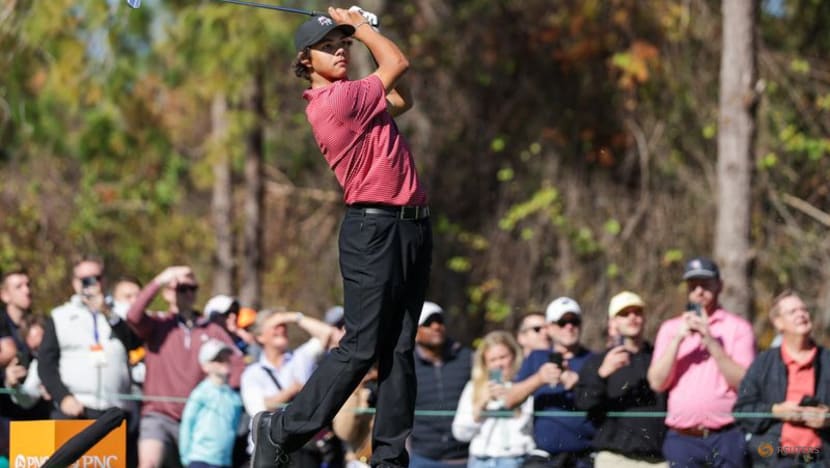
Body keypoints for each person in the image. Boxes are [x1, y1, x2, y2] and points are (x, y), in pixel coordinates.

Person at [249, 6, 432, 468]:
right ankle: (281, 429)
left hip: (410, 225)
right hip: (373, 228)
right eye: (328, 47)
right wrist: (366, 29)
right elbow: (397, 64)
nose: (340, 52)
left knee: (399, 348)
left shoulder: (359, 99)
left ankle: (389, 458)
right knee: (361, 345)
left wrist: (368, 33)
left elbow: (403, 97)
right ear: (305, 60)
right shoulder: (336, 102)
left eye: (343, 44)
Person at [127, 265, 246, 468]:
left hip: (200, 418)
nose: (189, 294)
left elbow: (237, 365)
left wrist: (224, 399)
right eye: (182, 289)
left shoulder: (211, 329)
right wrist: (160, 279)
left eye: (193, 288)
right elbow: (133, 316)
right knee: (148, 464)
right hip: (159, 415)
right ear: (168, 293)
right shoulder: (158, 324)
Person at [647, 256, 755, 467]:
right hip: (682, 439)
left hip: (726, 438)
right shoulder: (670, 329)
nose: (699, 291)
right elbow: (657, 382)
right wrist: (678, 340)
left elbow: (745, 384)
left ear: (719, 286)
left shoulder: (738, 328)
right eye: (693, 285)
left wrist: (711, 342)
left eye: (705, 284)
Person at [38, 256, 141, 465]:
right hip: (77, 411)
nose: (91, 284)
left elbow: (135, 344)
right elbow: (46, 364)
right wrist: (63, 397)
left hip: (115, 412)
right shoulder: (60, 316)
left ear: (104, 280)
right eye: (84, 279)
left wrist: (108, 313)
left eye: (96, 278)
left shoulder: (120, 312)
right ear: (74, 282)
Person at [734, 290, 830, 467]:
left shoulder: (827, 360)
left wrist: (828, 418)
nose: (801, 314)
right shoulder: (764, 363)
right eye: (793, 311)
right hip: (775, 459)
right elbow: (742, 411)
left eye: (804, 310)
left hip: (821, 459)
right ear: (778, 322)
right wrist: (775, 411)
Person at [574, 291, 667, 467]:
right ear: (613, 322)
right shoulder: (598, 361)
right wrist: (601, 375)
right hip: (614, 458)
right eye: (624, 314)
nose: (632, 317)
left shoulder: (660, 358)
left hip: (658, 460)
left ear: (644, 318)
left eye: (637, 312)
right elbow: (583, 405)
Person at [240, 308, 341, 467]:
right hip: (267, 453)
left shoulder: (300, 357)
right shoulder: (252, 373)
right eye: (275, 326)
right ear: (260, 336)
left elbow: (330, 334)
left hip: (304, 451)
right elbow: (259, 411)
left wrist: (293, 317)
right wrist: (292, 391)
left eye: (284, 326)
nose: (281, 329)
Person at [503, 296, 595, 467]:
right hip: (546, 458)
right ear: (549, 328)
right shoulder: (536, 358)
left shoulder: (594, 360)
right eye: (562, 322)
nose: (569, 327)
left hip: (585, 458)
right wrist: (539, 379)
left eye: (574, 321)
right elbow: (509, 400)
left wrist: (579, 384)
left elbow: (606, 405)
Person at [451, 331, 534, 468]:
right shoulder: (474, 387)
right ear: (485, 364)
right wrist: (481, 404)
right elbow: (460, 433)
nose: (498, 364)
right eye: (492, 360)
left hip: (516, 459)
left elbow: (528, 428)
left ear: (514, 356)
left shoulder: (525, 384)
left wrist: (513, 398)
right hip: (480, 460)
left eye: (503, 357)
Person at [410, 302, 472, 467]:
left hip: (466, 458)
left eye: (440, 321)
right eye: (428, 323)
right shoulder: (406, 363)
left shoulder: (467, 358)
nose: (436, 327)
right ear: (415, 330)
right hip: (422, 458)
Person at [179, 339, 243, 468]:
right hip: (199, 459)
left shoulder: (234, 398)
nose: (224, 362)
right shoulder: (200, 393)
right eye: (217, 359)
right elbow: (187, 424)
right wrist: (186, 457)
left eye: (226, 358)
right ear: (205, 366)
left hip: (224, 462)